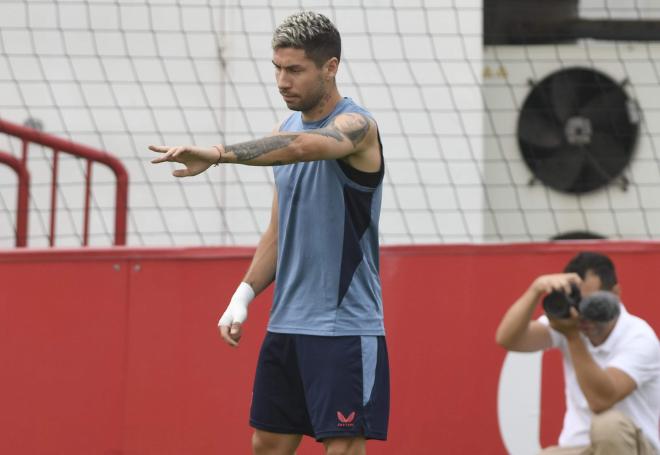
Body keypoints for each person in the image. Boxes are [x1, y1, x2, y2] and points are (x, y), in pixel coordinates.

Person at [150, 11, 388, 455]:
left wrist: (219, 154)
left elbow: (300, 149)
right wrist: (242, 296)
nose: (282, 80)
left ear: (330, 67)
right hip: (287, 323)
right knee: (268, 443)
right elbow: (279, 232)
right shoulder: (286, 128)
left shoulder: (358, 127)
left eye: (294, 70)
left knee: (343, 446)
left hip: (344, 326)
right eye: (277, 68)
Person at [496, 251, 660, 454]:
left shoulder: (638, 337)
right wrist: (535, 290)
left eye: (592, 302)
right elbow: (509, 339)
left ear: (616, 294)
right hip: (578, 447)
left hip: (634, 446)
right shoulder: (573, 322)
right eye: (577, 302)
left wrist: (573, 337)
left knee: (608, 425)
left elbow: (601, 400)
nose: (583, 314)